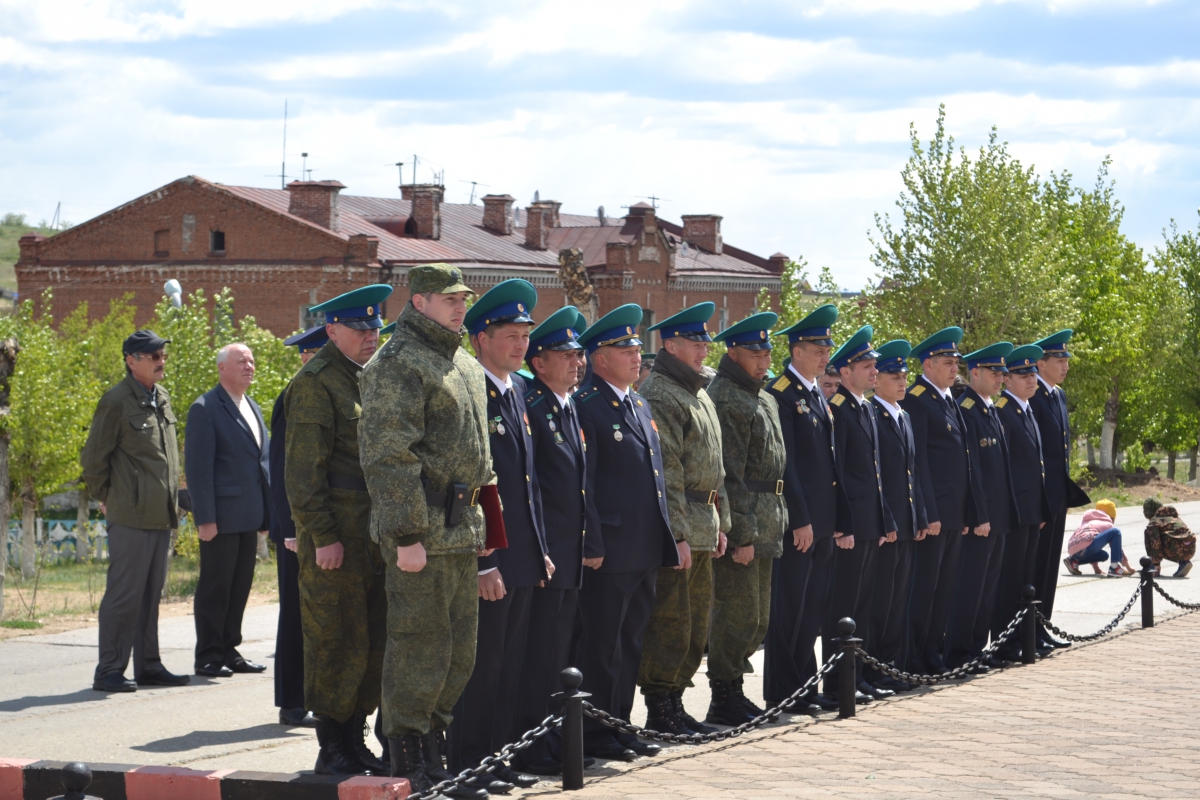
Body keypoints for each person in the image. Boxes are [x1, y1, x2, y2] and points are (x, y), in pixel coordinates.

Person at [359, 264, 496, 796]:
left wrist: (485, 533)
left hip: (462, 529)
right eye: (448, 298)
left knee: (458, 652)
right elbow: (389, 457)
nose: (460, 306)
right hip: (422, 534)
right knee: (419, 649)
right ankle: (409, 761)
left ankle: (436, 756)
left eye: (463, 297)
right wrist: (406, 534)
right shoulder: (396, 363)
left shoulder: (461, 361)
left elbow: (481, 458)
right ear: (418, 303)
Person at [285, 285, 392, 777]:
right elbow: (305, 473)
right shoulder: (316, 381)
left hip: (372, 533)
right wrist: (323, 535)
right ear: (332, 330)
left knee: (370, 639)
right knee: (335, 639)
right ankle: (332, 744)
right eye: (360, 328)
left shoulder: (368, 378)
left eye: (375, 328)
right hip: (338, 536)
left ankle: (355, 738)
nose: (371, 336)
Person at [449, 279, 549, 795]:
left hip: (522, 554)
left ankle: (498, 756)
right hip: (489, 556)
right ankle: (468, 761)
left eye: (524, 334)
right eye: (509, 334)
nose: (520, 344)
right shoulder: (473, 391)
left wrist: (540, 549)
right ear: (481, 339)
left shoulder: (518, 390)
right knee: (481, 667)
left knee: (511, 665)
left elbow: (526, 484)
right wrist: (483, 563)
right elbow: (477, 482)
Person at [574, 304, 680, 762]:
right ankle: (596, 732)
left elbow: (654, 480)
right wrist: (593, 543)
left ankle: (619, 724)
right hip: (610, 550)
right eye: (626, 348)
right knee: (601, 645)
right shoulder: (588, 406)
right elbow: (586, 485)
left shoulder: (637, 402)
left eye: (638, 347)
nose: (638, 355)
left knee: (630, 641)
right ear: (600, 358)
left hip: (642, 546)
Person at [635, 303, 730, 734]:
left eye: (704, 342)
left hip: (704, 521)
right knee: (671, 622)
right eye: (694, 343)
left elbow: (717, 466)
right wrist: (676, 533)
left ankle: (676, 703)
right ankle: (660, 706)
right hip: (682, 526)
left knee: (694, 624)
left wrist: (721, 521)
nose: (703, 351)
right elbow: (666, 472)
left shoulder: (700, 393)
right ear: (669, 346)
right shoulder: (660, 393)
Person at [81, 330, 190, 693]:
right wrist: (108, 498)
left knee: (150, 594)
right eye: (152, 356)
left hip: (161, 513)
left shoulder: (162, 398)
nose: (161, 361)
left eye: (162, 355)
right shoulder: (115, 401)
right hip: (130, 515)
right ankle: (109, 669)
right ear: (131, 361)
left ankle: (149, 665)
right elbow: (94, 459)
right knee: (124, 595)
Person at [513, 307, 591, 776]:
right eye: (565, 354)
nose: (576, 362)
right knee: (539, 655)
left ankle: (551, 734)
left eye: (578, 354)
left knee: (561, 652)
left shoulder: (566, 405)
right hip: (547, 552)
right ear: (538, 363)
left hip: (568, 553)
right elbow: (534, 488)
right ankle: (530, 743)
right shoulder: (534, 406)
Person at [763, 304, 847, 714]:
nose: (825, 355)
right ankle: (784, 691)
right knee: (790, 609)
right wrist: (800, 519)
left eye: (826, 347)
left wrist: (835, 520)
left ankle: (804, 686)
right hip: (802, 523)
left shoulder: (814, 393)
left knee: (811, 610)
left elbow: (828, 467)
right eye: (818, 348)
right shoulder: (782, 395)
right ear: (797, 351)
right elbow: (787, 464)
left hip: (823, 521)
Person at [706, 312, 787, 722]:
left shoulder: (764, 396)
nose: (763, 358)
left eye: (767, 351)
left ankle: (734, 688)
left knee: (757, 617)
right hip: (746, 524)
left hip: (768, 519)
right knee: (737, 614)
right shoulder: (725, 396)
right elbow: (730, 473)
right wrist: (740, 533)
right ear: (733, 352)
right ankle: (724, 694)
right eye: (755, 352)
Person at [820, 326, 896, 704]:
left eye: (873, 365)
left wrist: (883, 521)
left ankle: (858, 677)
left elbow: (875, 473)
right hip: (851, 525)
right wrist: (842, 525)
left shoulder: (864, 407)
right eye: (866, 366)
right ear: (845, 372)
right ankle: (837, 684)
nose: (873, 372)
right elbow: (838, 474)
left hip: (869, 522)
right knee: (843, 607)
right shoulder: (839, 410)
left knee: (863, 604)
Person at [185, 343, 270, 678]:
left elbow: (260, 462)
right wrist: (205, 518)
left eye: (251, 360)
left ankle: (229, 649)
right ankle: (207, 654)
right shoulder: (205, 408)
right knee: (215, 587)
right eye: (241, 361)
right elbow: (198, 469)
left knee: (239, 586)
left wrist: (267, 513)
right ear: (222, 368)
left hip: (250, 515)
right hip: (220, 519)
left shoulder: (252, 405)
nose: (249, 366)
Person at [902, 327, 977, 675]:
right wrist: (928, 512)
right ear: (928, 364)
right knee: (924, 591)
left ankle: (933, 654)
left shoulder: (946, 399)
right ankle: (915, 658)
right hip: (933, 515)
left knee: (944, 590)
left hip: (952, 512)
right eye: (948, 362)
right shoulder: (917, 399)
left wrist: (964, 511)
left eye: (956, 362)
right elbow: (919, 464)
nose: (954, 369)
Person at [268, 325, 326, 728]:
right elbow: (286, 469)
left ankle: (312, 695)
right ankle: (292, 701)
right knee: (296, 615)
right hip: (298, 530)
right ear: (306, 357)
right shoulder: (295, 396)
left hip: (315, 527)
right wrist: (289, 528)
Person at [944, 343, 1012, 672]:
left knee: (986, 588)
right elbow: (972, 471)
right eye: (994, 372)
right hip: (979, 518)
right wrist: (979, 513)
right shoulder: (966, 408)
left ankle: (976, 648)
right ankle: (960, 652)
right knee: (969, 588)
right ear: (976, 373)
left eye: (1002, 373)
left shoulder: (990, 408)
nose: (1001, 378)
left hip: (996, 516)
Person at [865, 340, 927, 692]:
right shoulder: (872, 414)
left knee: (897, 601)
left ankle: (889, 666)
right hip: (885, 524)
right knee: (880, 602)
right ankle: (874, 669)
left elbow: (911, 472)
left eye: (904, 375)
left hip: (906, 522)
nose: (902, 381)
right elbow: (877, 477)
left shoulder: (903, 416)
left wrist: (917, 516)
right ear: (877, 380)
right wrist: (887, 519)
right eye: (894, 375)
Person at [1029, 330, 1091, 651]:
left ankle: (1043, 628)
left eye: (1066, 359)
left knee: (1050, 568)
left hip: (1057, 497)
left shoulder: (1058, 395)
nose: (1065, 365)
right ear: (1041, 363)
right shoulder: (1033, 396)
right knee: (1036, 566)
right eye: (1059, 359)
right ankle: (1028, 632)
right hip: (1041, 499)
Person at [992, 345, 1051, 662]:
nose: (1032, 380)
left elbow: (1035, 466)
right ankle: (1005, 642)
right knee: (1010, 580)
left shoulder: (1026, 410)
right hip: (1015, 513)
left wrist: (1040, 507)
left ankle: (1023, 638)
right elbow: (1007, 470)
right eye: (1023, 374)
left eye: (1033, 373)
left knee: (1026, 579)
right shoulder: (1004, 411)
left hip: (1031, 512)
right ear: (1007, 379)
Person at [1065, 500, 1134, 577]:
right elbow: (1118, 549)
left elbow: (1089, 542)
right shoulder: (1108, 523)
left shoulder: (1085, 520)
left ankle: (1073, 560)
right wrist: (1128, 566)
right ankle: (1115, 568)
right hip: (1086, 546)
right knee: (1115, 532)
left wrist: (1096, 568)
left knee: (1104, 555)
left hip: (1073, 549)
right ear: (1111, 517)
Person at [1143, 498, 1196, 578]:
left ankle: (1153, 566)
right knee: (1171, 539)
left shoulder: (1154, 522)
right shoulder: (1174, 517)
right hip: (1191, 549)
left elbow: (1155, 542)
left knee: (1149, 534)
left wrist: (1156, 563)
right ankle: (1183, 562)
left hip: (1175, 549)